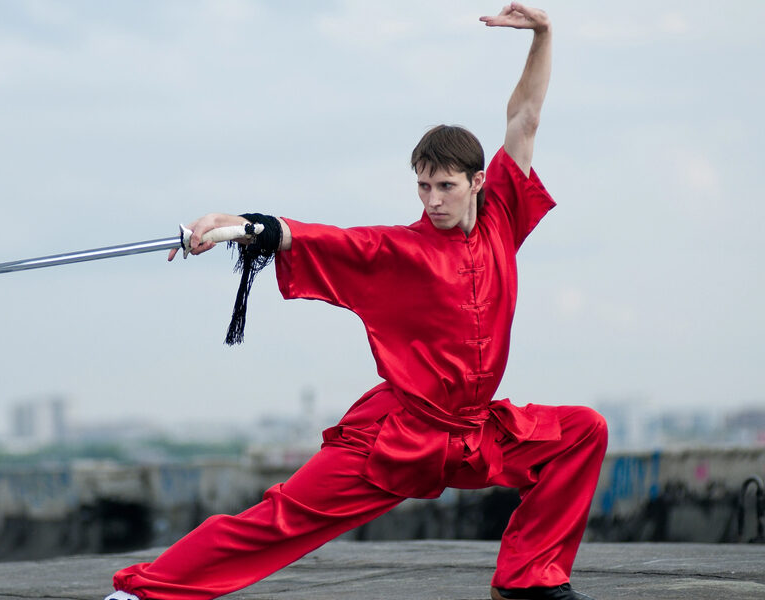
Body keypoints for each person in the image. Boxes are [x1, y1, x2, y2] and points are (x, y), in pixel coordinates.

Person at [105, 4, 607, 600]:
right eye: (423, 186)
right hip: (398, 439)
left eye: (446, 186)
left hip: (477, 435)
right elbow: (317, 238)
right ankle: (141, 591)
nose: (433, 200)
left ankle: (527, 580)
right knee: (279, 518)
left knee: (582, 432)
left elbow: (524, 118)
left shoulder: (502, 216)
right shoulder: (400, 250)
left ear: (477, 182)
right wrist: (240, 225)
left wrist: (544, 34)